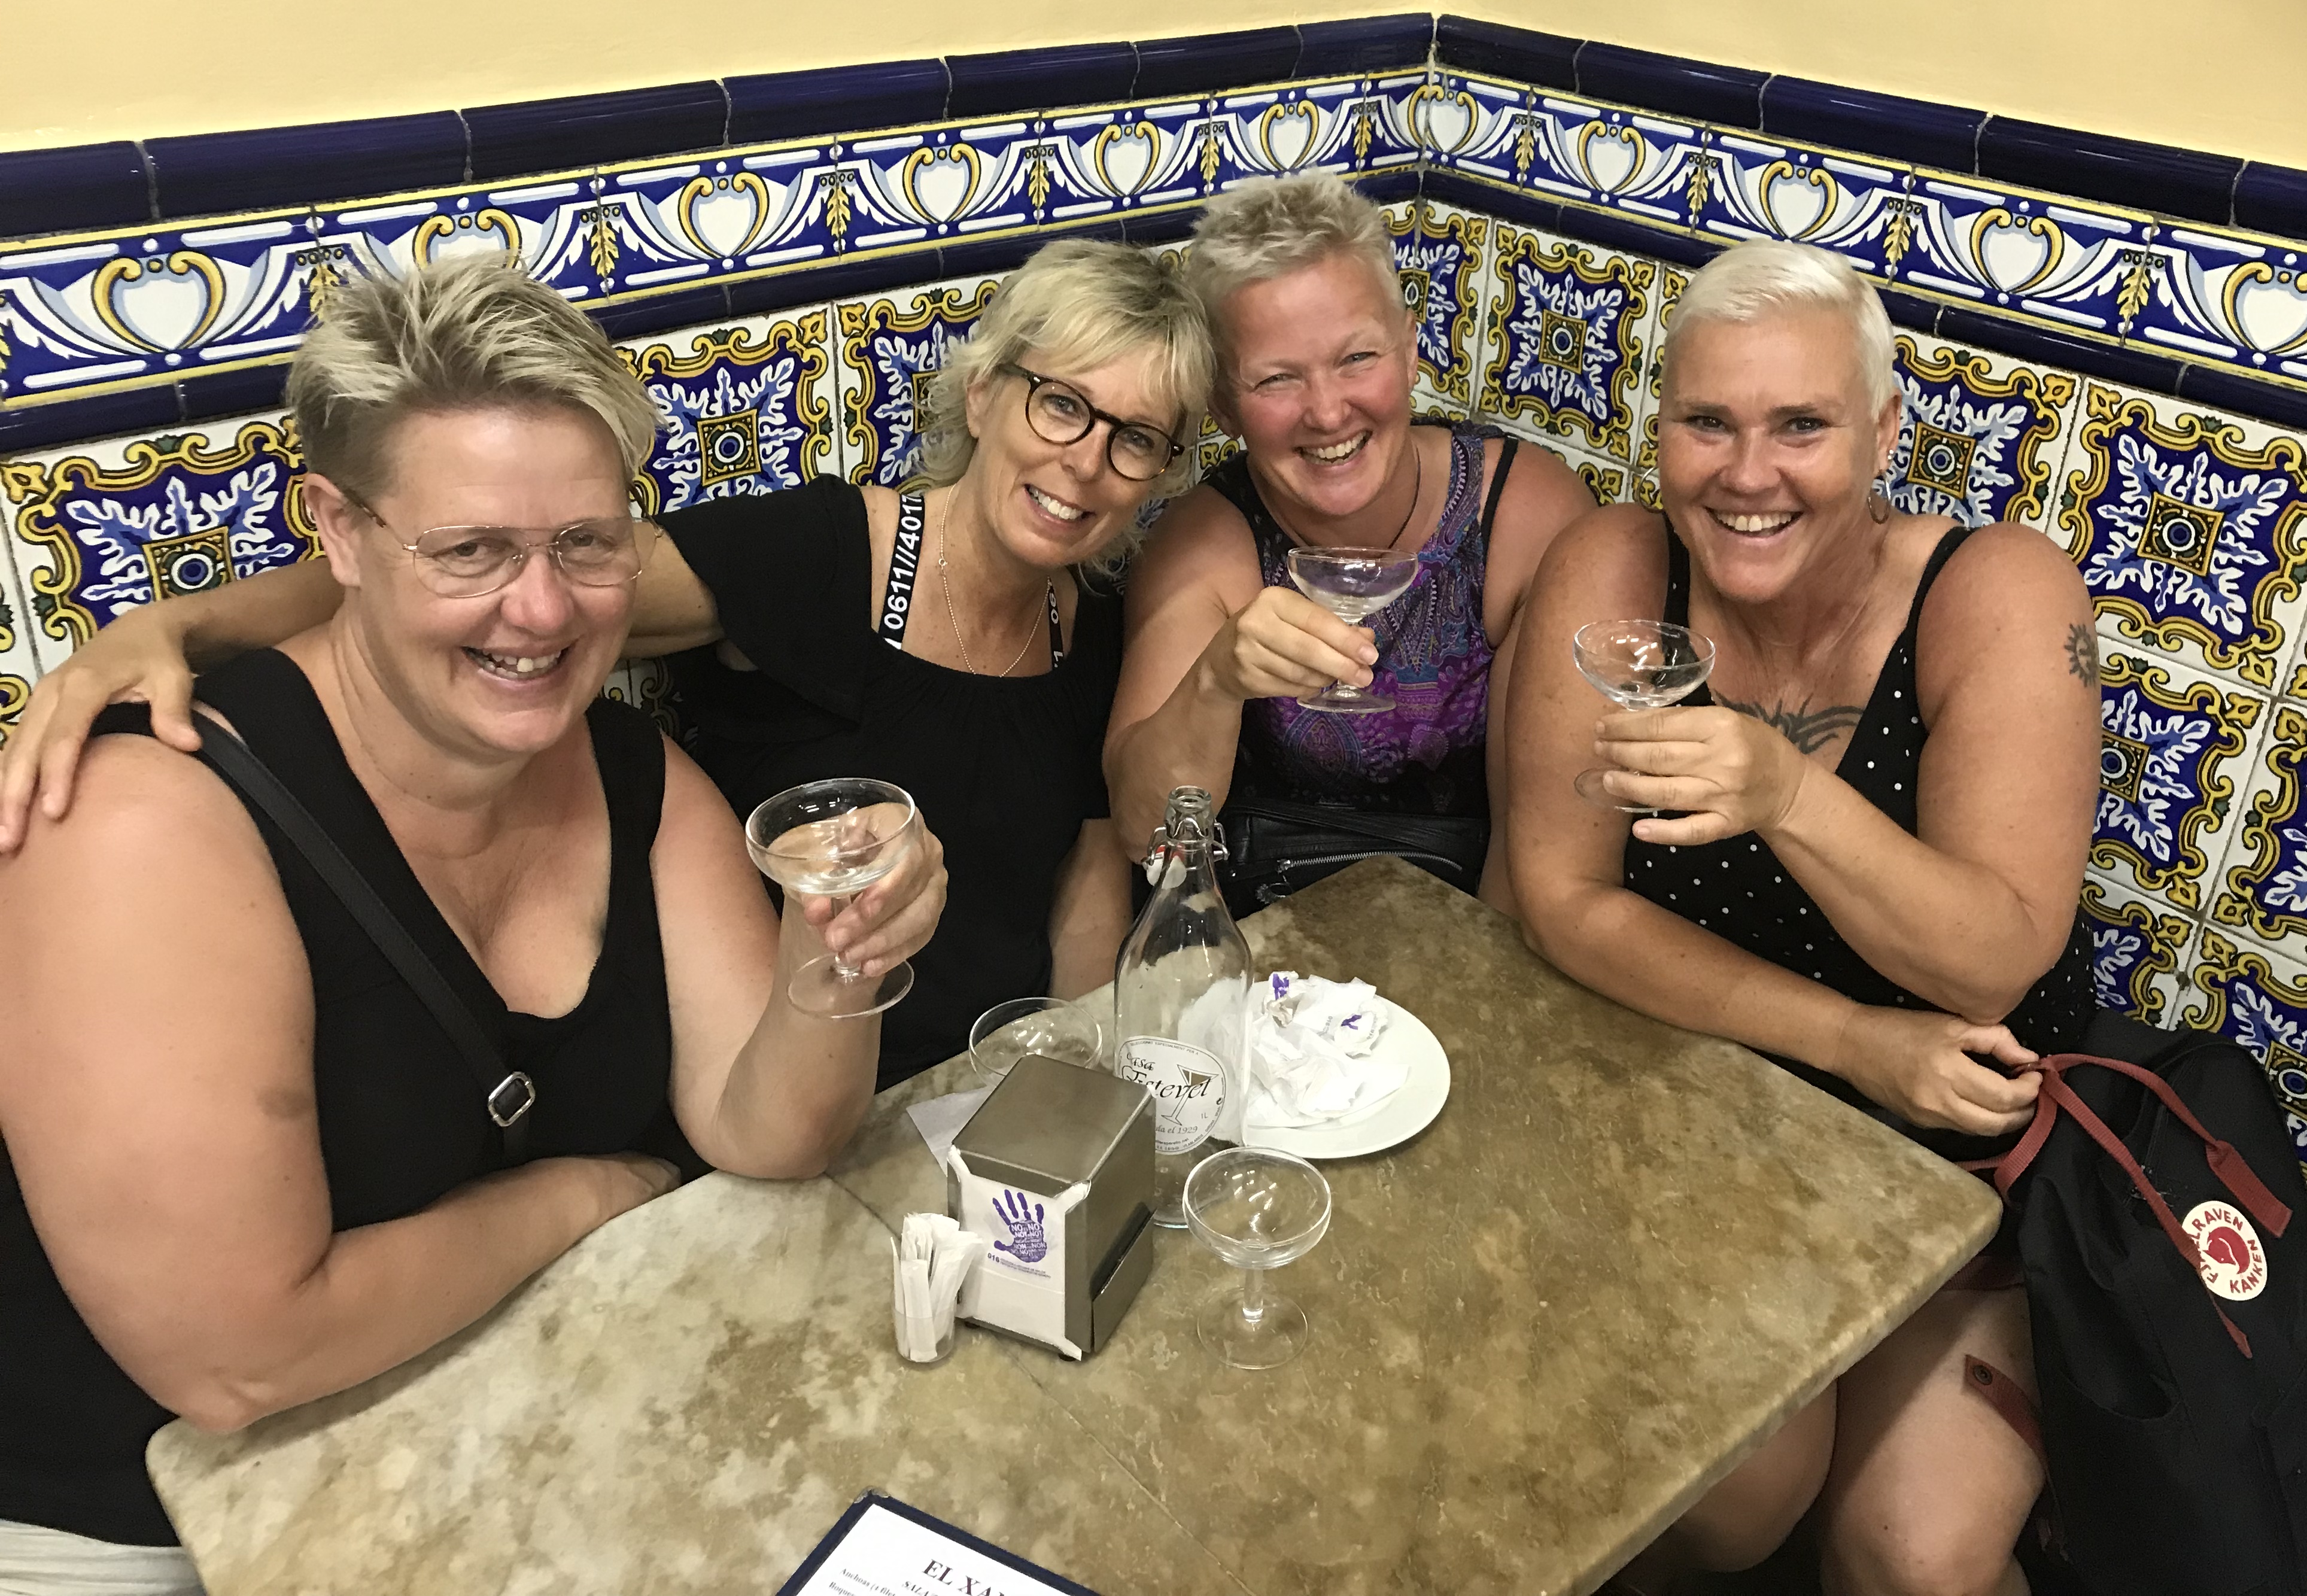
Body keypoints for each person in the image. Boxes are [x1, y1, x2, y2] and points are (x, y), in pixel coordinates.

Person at [0, 256, 944, 1592]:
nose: (543, 609)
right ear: (337, 532)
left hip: (499, 1425)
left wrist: (839, 953)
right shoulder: (145, 825)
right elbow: (238, 1359)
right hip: (149, 1517)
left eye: (588, 542)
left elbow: (770, 1130)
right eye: (470, 550)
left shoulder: (635, 775)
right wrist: (586, 1191)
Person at [0, 238, 1214, 1090]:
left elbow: (1085, 869)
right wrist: (182, 630)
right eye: (1063, 404)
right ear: (988, 394)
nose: (1086, 460)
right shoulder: (819, 557)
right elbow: (489, 586)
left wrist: (1078, 1070)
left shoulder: (1089, 622)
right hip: (784, 1086)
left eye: (1137, 440)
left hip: (991, 1093)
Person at [1505, 239, 2098, 1595]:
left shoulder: (1996, 590)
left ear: (1883, 433)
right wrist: (1847, 1037)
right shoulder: (1613, 568)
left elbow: (1993, 959)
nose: (1746, 472)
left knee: (1914, 1556)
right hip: (1695, 1091)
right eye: (1707, 422)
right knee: (1733, 1497)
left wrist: (1781, 789)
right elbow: (1562, 899)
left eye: (1801, 427)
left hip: (1951, 1135)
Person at [1106, 174, 1595, 913]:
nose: (1328, 412)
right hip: (1272, 936)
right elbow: (1145, 835)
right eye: (1277, 379)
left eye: (1357, 358)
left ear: (1410, 350)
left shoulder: (1525, 516)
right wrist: (1215, 682)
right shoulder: (1201, 546)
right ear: (1223, 407)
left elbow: (1543, 848)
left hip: (1479, 927)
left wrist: (1472, 976)